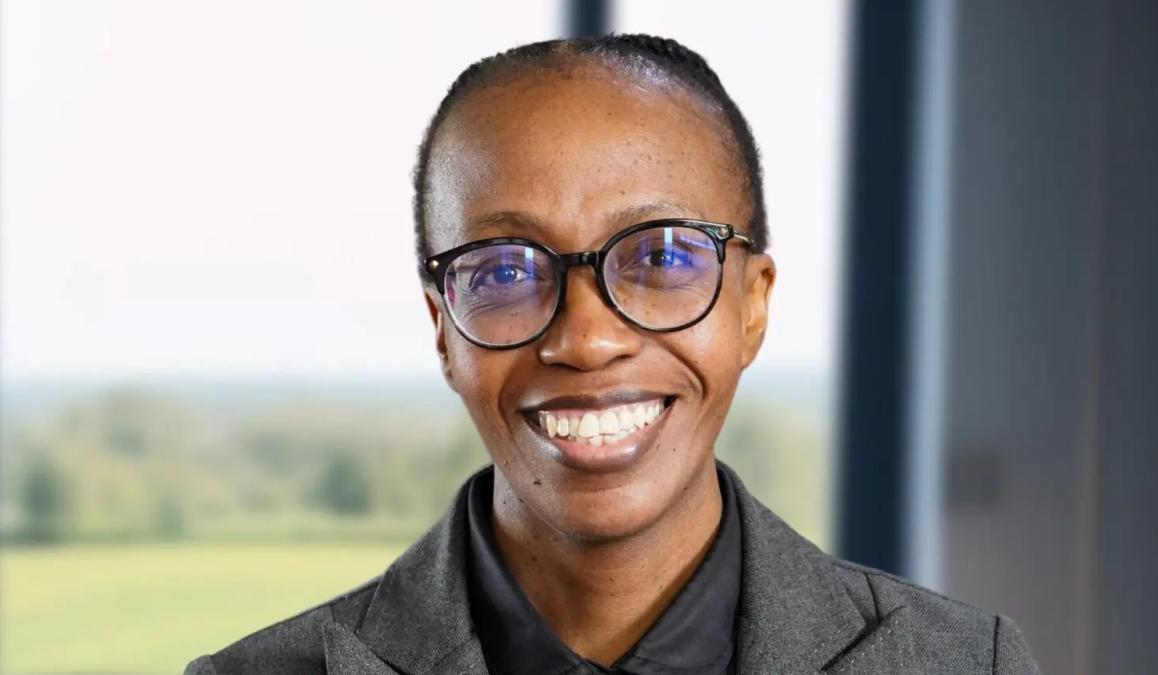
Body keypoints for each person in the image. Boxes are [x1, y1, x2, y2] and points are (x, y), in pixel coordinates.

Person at [185, 34, 1040, 674]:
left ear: (752, 305)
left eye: (663, 256)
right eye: (505, 269)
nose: (586, 338)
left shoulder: (968, 663)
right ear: (444, 330)